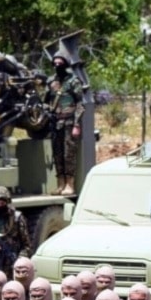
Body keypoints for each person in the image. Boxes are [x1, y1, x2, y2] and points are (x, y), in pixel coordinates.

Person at [44, 50, 84, 195]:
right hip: (55, 123)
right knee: (57, 155)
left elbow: (80, 103)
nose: (57, 65)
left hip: (69, 123)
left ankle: (70, 185)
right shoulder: (50, 82)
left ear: (65, 63)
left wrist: (76, 124)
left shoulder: (73, 81)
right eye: (55, 63)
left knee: (69, 155)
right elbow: (45, 101)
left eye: (60, 62)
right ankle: (60, 184)